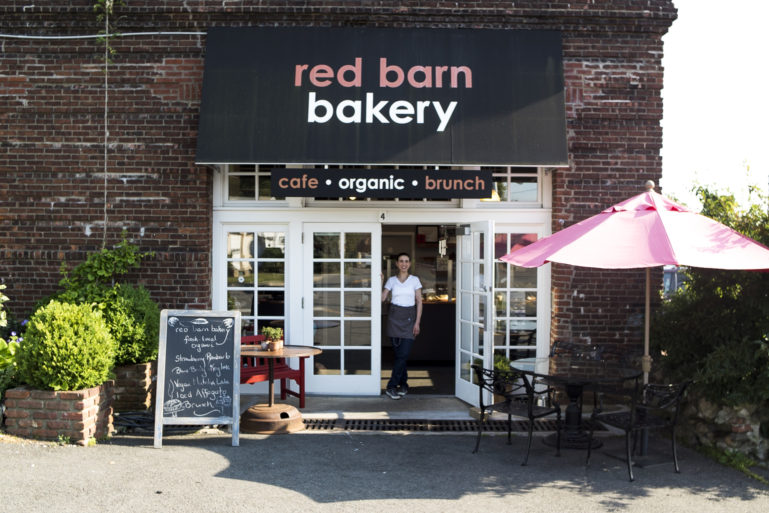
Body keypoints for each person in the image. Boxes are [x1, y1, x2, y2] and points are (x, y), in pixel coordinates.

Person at [381, 252, 422, 400]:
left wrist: (417, 322)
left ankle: (391, 386)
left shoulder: (415, 280)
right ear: (397, 264)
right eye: (401, 261)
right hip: (394, 319)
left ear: (409, 264)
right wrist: (381, 282)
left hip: (409, 319)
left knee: (403, 354)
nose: (404, 264)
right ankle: (403, 384)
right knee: (400, 356)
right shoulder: (391, 281)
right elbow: (383, 298)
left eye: (406, 261)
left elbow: (419, 302)